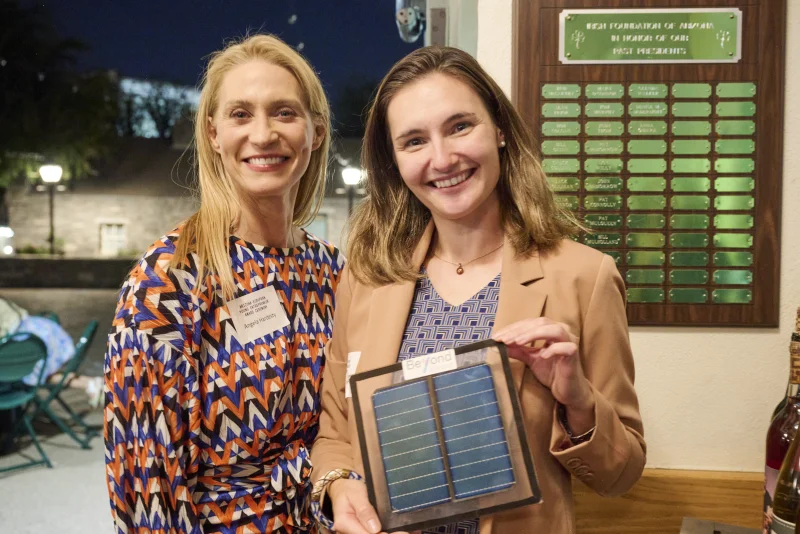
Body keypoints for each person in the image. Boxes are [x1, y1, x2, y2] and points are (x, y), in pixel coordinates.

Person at [309, 46, 646, 534]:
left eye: (460, 126)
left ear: (501, 130)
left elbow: (622, 473)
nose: (442, 159)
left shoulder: (583, 277)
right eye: (414, 141)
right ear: (394, 161)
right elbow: (335, 432)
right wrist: (340, 487)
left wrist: (578, 401)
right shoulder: (367, 277)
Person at [103, 34, 344, 533]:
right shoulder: (169, 281)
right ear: (213, 134)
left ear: (315, 133)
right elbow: (144, 488)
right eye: (240, 115)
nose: (263, 134)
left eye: (284, 113)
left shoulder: (331, 271)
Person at [0, 296, 102, 406]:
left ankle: (90, 384)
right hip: (39, 333)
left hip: (25, 344)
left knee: (37, 372)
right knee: (44, 372)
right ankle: (89, 383)